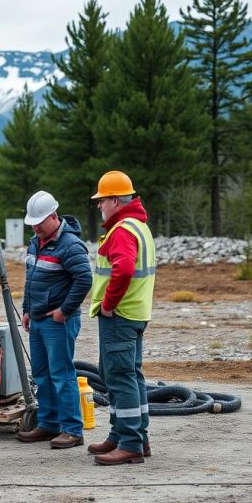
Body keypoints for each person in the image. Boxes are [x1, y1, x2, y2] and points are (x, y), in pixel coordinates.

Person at [87, 171, 156, 466]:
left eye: (102, 201)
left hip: (120, 315)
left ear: (115, 200)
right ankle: (131, 436)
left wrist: (109, 304)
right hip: (136, 313)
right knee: (129, 375)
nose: (99, 206)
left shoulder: (123, 230)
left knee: (119, 375)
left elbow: (124, 269)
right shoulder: (139, 226)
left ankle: (129, 444)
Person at [16, 191, 92, 449]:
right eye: (33, 223)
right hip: (38, 319)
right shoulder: (35, 241)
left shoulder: (70, 245)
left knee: (61, 374)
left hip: (58, 321)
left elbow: (84, 280)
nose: (35, 227)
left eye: (39, 222)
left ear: (53, 217)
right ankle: (48, 424)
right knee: (41, 374)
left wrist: (65, 310)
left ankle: (72, 429)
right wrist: (26, 309)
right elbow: (31, 279)